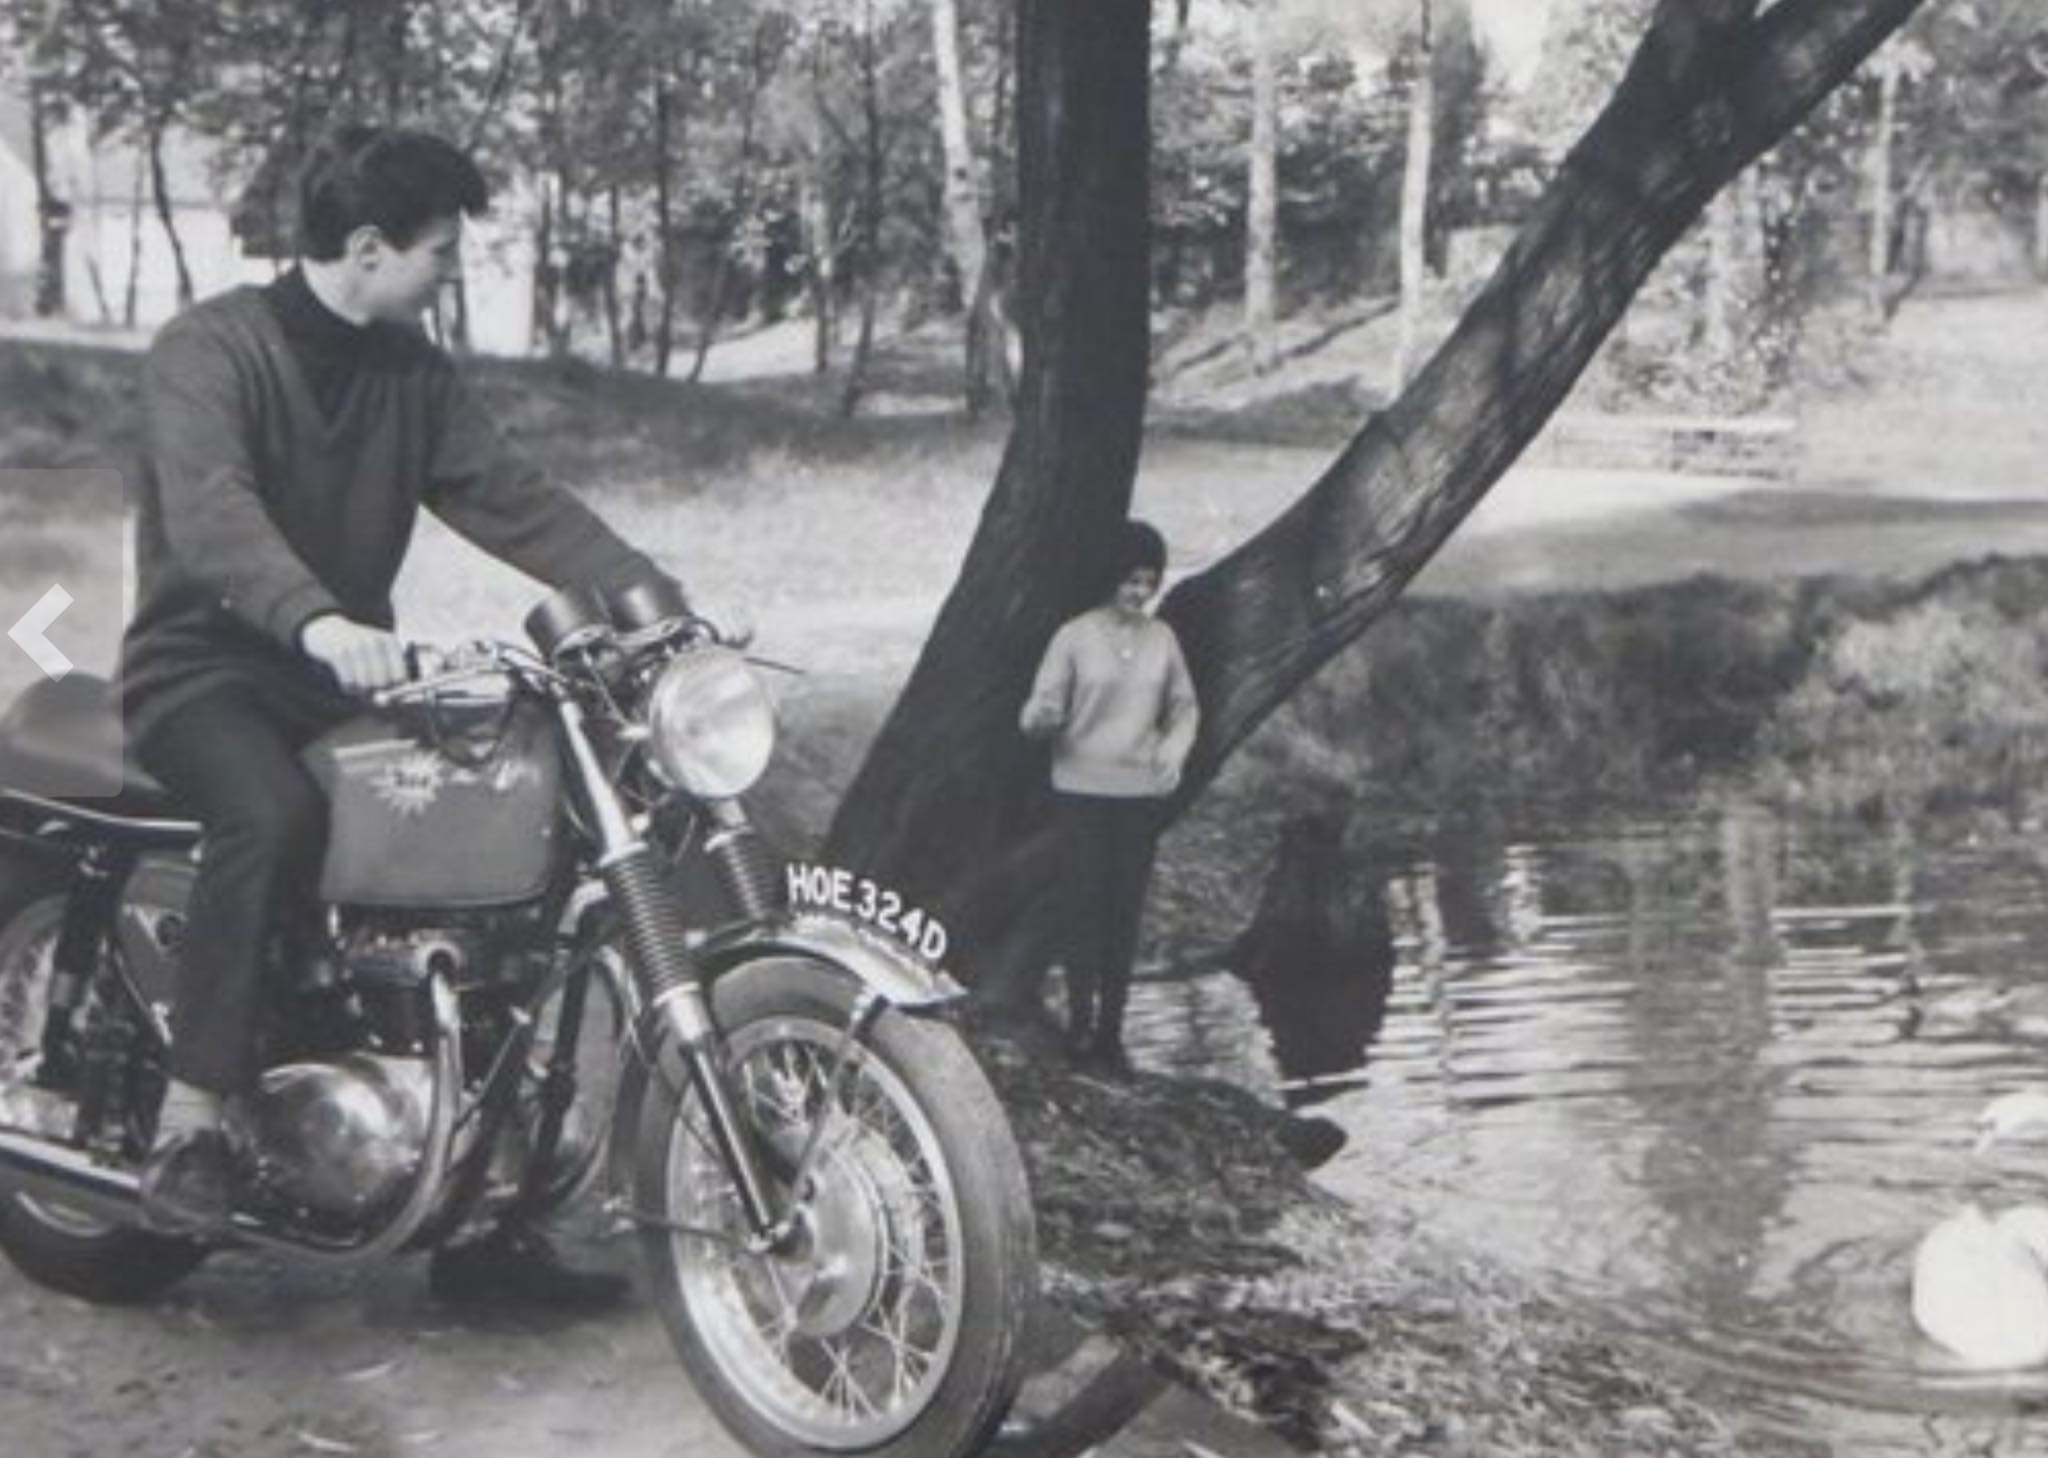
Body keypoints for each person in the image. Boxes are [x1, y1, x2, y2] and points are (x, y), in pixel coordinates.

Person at [121, 124, 676, 1306]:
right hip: (200, 673)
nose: (448, 274)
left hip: (331, 679)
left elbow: (511, 496)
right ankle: (191, 1119)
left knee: (496, 850)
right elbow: (214, 516)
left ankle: (481, 1215)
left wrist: (653, 606)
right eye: (440, 253)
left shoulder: (410, 374)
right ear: (368, 248)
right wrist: (319, 621)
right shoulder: (206, 351)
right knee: (269, 815)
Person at [1019, 521, 1199, 1075]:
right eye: (1130, 581)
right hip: (1080, 792)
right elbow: (1036, 713)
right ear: (1108, 578)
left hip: (1138, 795)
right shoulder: (1072, 638)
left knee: (1124, 913)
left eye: (1149, 582)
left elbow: (1185, 708)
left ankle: (1111, 1033)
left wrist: (1173, 750)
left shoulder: (1162, 640)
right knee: (1083, 908)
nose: (1139, 593)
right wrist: (1044, 719)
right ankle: (1079, 1023)